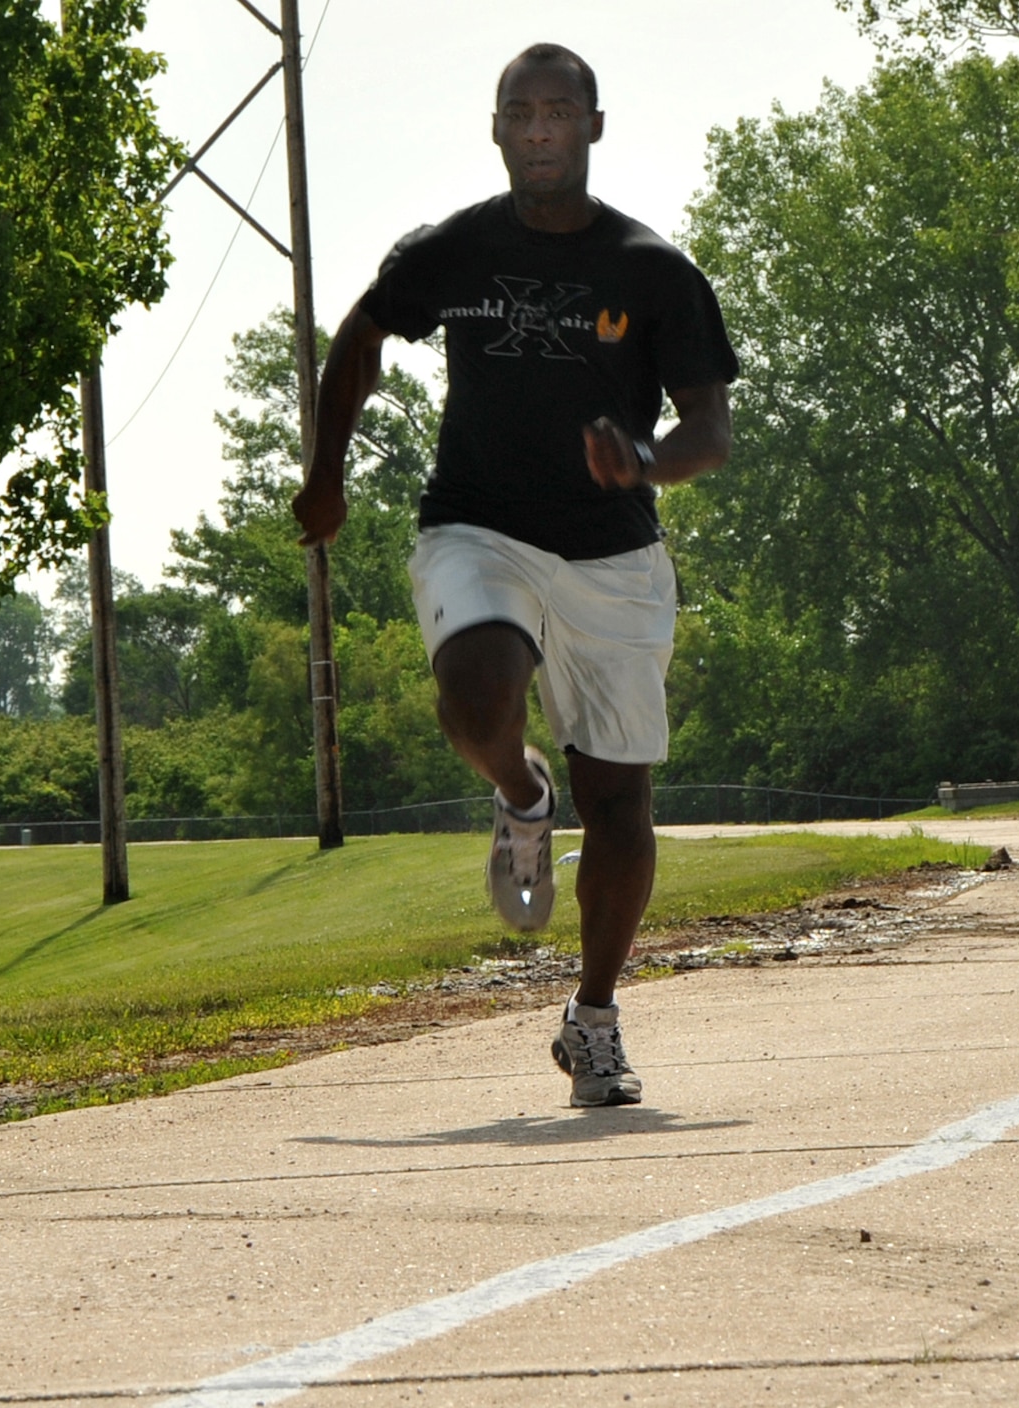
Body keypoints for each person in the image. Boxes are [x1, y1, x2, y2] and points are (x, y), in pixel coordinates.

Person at [292, 44, 737, 1104]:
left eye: (558, 113)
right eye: (519, 114)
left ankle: (592, 1020)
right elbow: (356, 342)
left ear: (592, 126)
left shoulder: (652, 270)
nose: (538, 130)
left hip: (613, 550)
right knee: (475, 697)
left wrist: (643, 459)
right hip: (476, 526)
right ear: (496, 130)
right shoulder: (452, 251)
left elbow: (708, 431)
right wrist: (324, 472)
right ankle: (518, 794)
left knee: (620, 799)